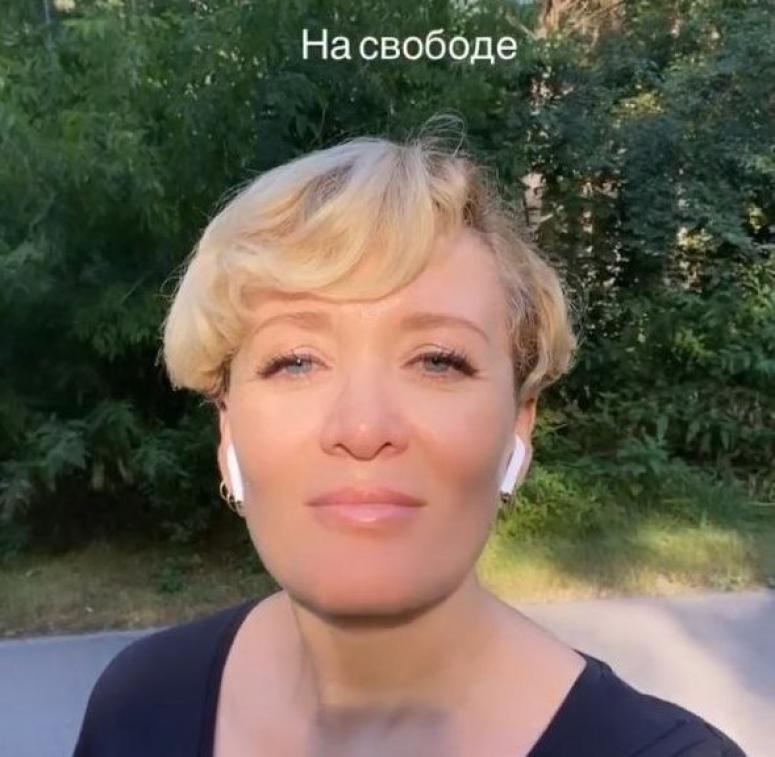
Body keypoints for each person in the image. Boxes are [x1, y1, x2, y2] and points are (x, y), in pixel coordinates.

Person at [72, 128, 746, 756]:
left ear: (519, 424)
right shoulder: (138, 705)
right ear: (228, 430)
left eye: (436, 361)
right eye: (296, 361)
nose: (363, 429)